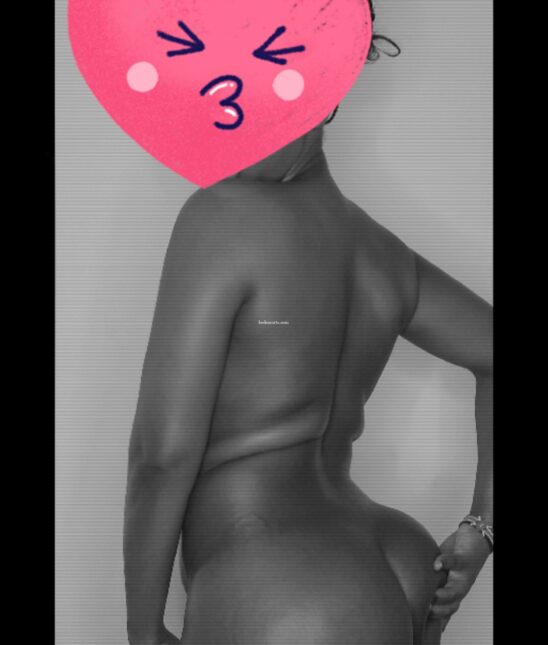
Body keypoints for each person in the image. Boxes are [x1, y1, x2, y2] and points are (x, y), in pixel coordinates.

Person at [123, 4, 493, 644]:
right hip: (398, 558)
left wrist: (142, 629)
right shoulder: (376, 250)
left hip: (278, 585)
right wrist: (483, 527)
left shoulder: (220, 218)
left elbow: (163, 457)